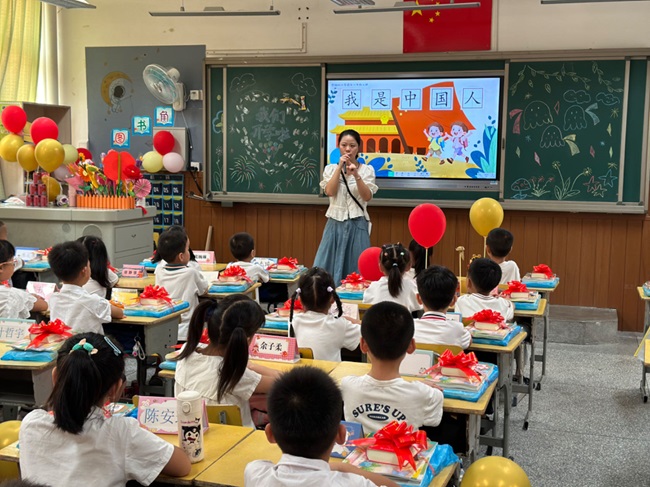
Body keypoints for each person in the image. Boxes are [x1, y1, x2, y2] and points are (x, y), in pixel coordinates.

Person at [19, 332, 191, 487]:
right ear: (116, 388)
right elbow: (182, 466)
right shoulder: (121, 432)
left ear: (55, 377)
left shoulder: (31, 424)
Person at [245, 367, 400, 487]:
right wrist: (344, 468)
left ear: (270, 433)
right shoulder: (355, 483)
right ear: (341, 434)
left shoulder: (256, 474)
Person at [175, 297, 279, 428]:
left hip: (191, 432)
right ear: (246, 340)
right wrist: (252, 366)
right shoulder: (231, 374)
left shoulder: (187, 352)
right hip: (238, 438)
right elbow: (282, 382)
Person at [341, 302, 444, 434]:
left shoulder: (348, 386)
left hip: (360, 448)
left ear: (363, 345)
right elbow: (434, 416)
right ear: (411, 346)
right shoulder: (423, 394)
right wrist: (418, 385)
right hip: (404, 449)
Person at [314, 129, 378, 285]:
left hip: (358, 224)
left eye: (352, 145)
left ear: (358, 148)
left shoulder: (367, 170)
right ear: (339, 147)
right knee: (324, 267)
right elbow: (330, 191)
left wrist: (356, 174)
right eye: (344, 145)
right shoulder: (330, 169)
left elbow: (367, 196)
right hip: (334, 223)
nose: (348, 149)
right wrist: (339, 168)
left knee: (356, 270)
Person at [48, 241, 123, 334]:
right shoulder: (92, 301)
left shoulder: (53, 299)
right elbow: (119, 313)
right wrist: (106, 303)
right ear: (84, 270)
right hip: (88, 343)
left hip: (62, 343)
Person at [289, 267, 360, 362]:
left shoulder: (293, 321)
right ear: (332, 299)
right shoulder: (340, 325)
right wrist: (356, 321)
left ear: (300, 300)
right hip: (330, 372)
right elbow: (369, 331)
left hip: (300, 371)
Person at [154, 229, 209, 341]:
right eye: (187, 249)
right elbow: (204, 289)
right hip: (188, 329)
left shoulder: (159, 271)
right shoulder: (191, 272)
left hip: (166, 327)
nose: (189, 252)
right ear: (181, 256)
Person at [414, 266, 471, 348]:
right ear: (454, 300)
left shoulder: (409, 328)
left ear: (418, 299)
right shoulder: (458, 329)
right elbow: (469, 341)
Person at [363, 243, 421, 313]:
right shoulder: (412, 286)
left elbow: (365, 302)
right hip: (403, 320)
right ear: (409, 266)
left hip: (378, 320)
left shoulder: (373, 287)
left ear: (380, 267)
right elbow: (420, 304)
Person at [0, 240, 47, 318]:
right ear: (1, 268)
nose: (14, 265)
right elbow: (44, 305)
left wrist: (25, 296)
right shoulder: (10, 295)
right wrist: (26, 297)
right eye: (13, 262)